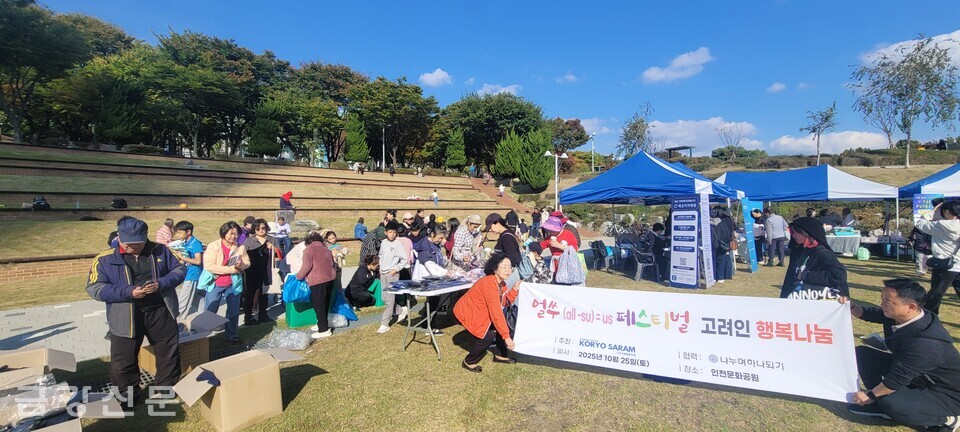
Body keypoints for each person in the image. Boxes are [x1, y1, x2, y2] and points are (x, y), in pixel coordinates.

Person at [86, 218, 186, 402]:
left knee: (168, 352)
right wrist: (128, 291)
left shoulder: (162, 250)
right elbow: (94, 288)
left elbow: (179, 270)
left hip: (160, 310)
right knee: (123, 359)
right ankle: (127, 397)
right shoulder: (105, 259)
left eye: (137, 243)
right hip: (125, 314)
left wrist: (161, 283)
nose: (132, 246)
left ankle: (166, 389)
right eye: (127, 243)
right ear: (119, 238)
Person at [841, 279, 960, 431]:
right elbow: (873, 314)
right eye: (882, 298)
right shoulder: (904, 316)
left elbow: (896, 379)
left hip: (947, 393)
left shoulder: (926, 343)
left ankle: (947, 419)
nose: (882, 304)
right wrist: (852, 307)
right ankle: (880, 403)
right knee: (862, 354)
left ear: (911, 307)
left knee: (891, 403)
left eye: (888, 301)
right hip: (918, 376)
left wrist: (870, 395)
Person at [453, 253, 520, 373]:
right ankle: (469, 361)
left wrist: (514, 289)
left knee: (501, 326)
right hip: (469, 312)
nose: (508, 270)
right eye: (504, 267)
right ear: (495, 268)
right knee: (487, 337)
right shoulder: (489, 284)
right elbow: (496, 312)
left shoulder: (501, 284)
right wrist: (507, 338)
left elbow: (503, 302)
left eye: (510, 267)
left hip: (481, 311)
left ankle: (500, 354)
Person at [201, 222, 249, 343]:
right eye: (231, 233)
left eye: (236, 234)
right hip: (215, 282)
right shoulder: (214, 246)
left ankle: (231, 335)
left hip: (233, 284)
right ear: (224, 233)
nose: (233, 236)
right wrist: (231, 269)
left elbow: (247, 262)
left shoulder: (240, 247)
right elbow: (209, 266)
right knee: (210, 310)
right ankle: (203, 335)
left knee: (233, 311)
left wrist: (241, 265)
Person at [780, 216, 849, 300]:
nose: (793, 235)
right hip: (796, 295)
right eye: (792, 232)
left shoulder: (824, 253)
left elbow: (839, 276)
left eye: (795, 232)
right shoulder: (798, 250)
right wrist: (783, 297)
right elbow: (790, 276)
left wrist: (807, 276)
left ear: (805, 233)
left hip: (816, 297)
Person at [915, 200, 960, 315]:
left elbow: (920, 223)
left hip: (944, 264)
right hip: (958, 263)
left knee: (936, 294)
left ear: (947, 211)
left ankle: (928, 317)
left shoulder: (940, 225)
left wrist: (933, 211)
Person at [297, 231, 338, 339]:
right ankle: (322, 323)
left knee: (318, 305)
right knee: (325, 303)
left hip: (318, 279)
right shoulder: (326, 249)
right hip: (330, 278)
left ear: (308, 242)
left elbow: (306, 266)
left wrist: (299, 276)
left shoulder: (309, 250)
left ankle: (324, 329)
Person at [241, 218, 278, 325]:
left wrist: (274, 249)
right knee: (250, 293)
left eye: (263, 228)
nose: (261, 230)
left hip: (267, 269)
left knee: (264, 293)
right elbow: (243, 254)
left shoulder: (272, 239)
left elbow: (280, 255)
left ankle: (263, 314)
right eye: (258, 228)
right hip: (252, 270)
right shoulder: (249, 240)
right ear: (254, 229)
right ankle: (248, 317)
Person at [415, 224, 449, 335]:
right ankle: (430, 327)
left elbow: (438, 260)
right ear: (432, 234)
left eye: (442, 238)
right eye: (439, 238)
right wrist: (445, 273)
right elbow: (430, 264)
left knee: (433, 303)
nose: (440, 240)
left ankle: (427, 324)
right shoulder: (425, 246)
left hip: (434, 278)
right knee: (433, 303)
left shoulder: (435, 244)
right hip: (428, 279)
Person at [377, 221, 409, 334]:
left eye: (394, 232)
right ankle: (401, 310)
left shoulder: (397, 244)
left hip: (393, 274)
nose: (392, 234)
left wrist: (396, 269)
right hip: (383, 273)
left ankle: (384, 323)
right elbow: (381, 255)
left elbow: (404, 260)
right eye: (390, 232)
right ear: (386, 232)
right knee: (384, 298)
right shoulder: (384, 243)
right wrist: (380, 268)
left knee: (390, 300)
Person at [172, 220, 204, 318]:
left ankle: (178, 320)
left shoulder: (195, 243)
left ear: (188, 232)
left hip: (193, 274)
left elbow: (198, 261)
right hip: (188, 272)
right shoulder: (184, 243)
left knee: (184, 300)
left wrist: (182, 257)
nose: (177, 235)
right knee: (197, 298)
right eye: (177, 233)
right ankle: (204, 317)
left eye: (180, 232)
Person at [491, 217, 522, 287]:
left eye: (490, 227)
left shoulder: (507, 238)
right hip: (507, 273)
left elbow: (513, 258)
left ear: (497, 223)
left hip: (509, 274)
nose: (490, 230)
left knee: (508, 296)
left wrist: (497, 259)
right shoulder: (503, 236)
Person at [711, 207, 737, 282]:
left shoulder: (716, 222)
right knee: (723, 259)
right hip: (725, 242)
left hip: (715, 242)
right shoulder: (730, 220)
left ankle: (715, 276)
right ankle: (722, 277)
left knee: (716, 259)